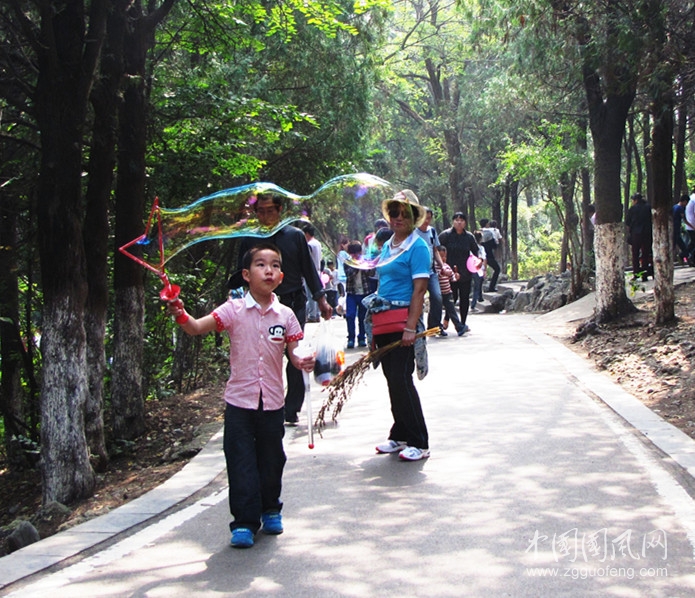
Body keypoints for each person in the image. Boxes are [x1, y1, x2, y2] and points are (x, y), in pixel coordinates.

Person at [168, 244, 316, 549]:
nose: (269, 270)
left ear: (281, 275)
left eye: (275, 265)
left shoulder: (287, 316)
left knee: (272, 460)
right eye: (261, 265)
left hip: (273, 402)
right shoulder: (231, 311)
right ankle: (245, 523)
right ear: (247, 275)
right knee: (240, 462)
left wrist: (304, 361)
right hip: (239, 402)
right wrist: (181, 313)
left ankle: (271, 508)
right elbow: (196, 328)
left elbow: (296, 353)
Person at [237, 195, 332, 426]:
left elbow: (309, 270)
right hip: (260, 306)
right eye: (260, 211)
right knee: (266, 356)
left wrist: (321, 300)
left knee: (295, 355)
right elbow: (241, 273)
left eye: (270, 211)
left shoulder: (295, 236)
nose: (265, 216)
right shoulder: (250, 238)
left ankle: (291, 409)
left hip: (292, 303)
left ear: (279, 210)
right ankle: (266, 404)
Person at [371, 190, 431, 461]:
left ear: (413, 217)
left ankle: (419, 440)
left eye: (404, 213)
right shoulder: (388, 245)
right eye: (394, 212)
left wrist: (410, 327)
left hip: (404, 319)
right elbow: (382, 283)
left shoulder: (418, 247)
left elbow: (419, 291)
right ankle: (399, 434)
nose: (398, 218)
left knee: (401, 379)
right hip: (383, 320)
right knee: (391, 379)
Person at [438, 212, 479, 334]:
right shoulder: (445, 235)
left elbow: (476, 252)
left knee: (465, 298)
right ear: (452, 222)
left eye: (461, 220)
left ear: (465, 222)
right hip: (449, 273)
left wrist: (479, 263)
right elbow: (437, 251)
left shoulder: (469, 237)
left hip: (465, 272)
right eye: (456, 220)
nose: (459, 222)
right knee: (452, 297)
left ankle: (463, 322)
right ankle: (446, 319)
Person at [415, 207, 445, 333]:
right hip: (417, 272)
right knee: (417, 298)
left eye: (429, 218)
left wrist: (442, 265)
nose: (427, 220)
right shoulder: (413, 232)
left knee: (437, 297)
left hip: (431, 272)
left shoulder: (432, 231)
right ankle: (417, 326)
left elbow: (435, 249)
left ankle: (435, 326)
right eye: (425, 217)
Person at [344, 241, 371, 349]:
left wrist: (366, 266)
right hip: (352, 293)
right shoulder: (347, 262)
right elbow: (349, 275)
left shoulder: (366, 261)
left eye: (357, 253)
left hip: (364, 292)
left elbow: (371, 274)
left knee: (363, 317)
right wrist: (357, 266)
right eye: (353, 254)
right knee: (350, 315)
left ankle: (361, 338)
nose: (355, 256)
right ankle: (351, 338)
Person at [435, 245, 466, 336]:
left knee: (451, 310)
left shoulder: (447, 266)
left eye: (445, 256)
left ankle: (459, 327)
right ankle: (435, 327)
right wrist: (442, 272)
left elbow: (452, 278)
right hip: (439, 293)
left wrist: (456, 277)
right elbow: (436, 276)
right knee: (436, 310)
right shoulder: (435, 266)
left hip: (447, 293)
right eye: (441, 256)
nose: (443, 259)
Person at [625, 192, 653, 281]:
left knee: (635, 255)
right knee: (646, 254)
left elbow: (628, 223)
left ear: (635, 200)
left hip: (636, 234)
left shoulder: (632, 209)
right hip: (647, 234)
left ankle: (636, 273)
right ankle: (645, 274)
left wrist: (630, 233)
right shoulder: (648, 207)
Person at [303, 223, 323, 323]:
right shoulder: (318, 243)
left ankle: (312, 315)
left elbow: (307, 259)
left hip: (311, 271)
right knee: (317, 293)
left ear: (307, 233)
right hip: (318, 271)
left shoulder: (309, 245)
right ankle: (317, 314)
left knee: (310, 295)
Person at [479, 218, 503, 292]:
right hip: (488, 255)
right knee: (497, 269)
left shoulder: (479, 232)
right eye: (488, 223)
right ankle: (491, 287)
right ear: (486, 224)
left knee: (480, 272)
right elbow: (494, 245)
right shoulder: (489, 233)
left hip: (480, 255)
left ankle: (479, 290)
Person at [470, 231, 487, 311]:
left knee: (477, 284)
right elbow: (484, 259)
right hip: (479, 268)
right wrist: (484, 269)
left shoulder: (470, 247)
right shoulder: (481, 248)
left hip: (470, 267)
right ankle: (473, 305)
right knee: (477, 285)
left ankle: (480, 297)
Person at [673, 195, 689, 264]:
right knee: (678, 245)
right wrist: (691, 226)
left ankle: (681, 257)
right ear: (684, 201)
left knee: (680, 245)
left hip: (675, 229)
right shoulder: (680, 208)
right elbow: (684, 220)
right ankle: (681, 256)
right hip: (676, 229)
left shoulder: (674, 207)